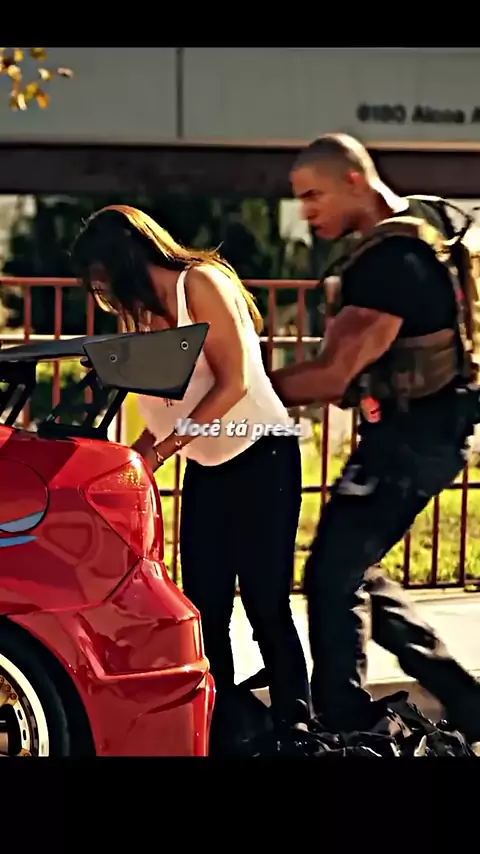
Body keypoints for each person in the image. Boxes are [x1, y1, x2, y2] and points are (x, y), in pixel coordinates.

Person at [69, 204, 310, 745]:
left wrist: (165, 450)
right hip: (207, 465)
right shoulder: (140, 317)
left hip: (261, 455)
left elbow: (234, 383)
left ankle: (297, 726)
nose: (102, 296)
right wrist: (127, 460)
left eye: (102, 282)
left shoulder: (199, 284)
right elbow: (165, 409)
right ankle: (222, 730)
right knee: (205, 604)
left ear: (123, 261)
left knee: (265, 601)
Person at [269, 132, 480, 743]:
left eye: (314, 195)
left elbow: (331, 374)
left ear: (354, 180)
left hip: (412, 441)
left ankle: (348, 725)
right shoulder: (424, 230)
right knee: (352, 570)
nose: (307, 212)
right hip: (429, 430)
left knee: (333, 575)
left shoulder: (389, 262)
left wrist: (235, 387)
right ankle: (467, 703)